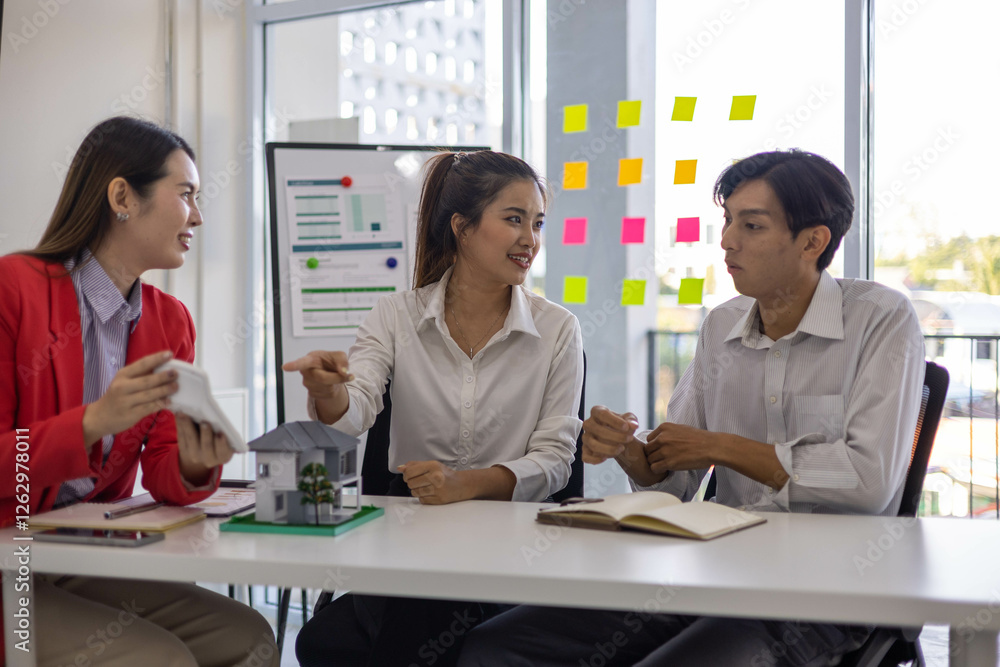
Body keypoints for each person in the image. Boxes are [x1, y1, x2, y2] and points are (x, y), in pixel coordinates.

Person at [458, 149, 926, 667]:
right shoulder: (721, 326)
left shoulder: (881, 319)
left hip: (827, 588)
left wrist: (721, 447)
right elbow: (674, 481)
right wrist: (630, 452)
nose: (727, 240)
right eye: (728, 221)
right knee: (494, 647)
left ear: (813, 241)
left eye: (751, 225)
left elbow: (868, 481)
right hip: (712, 567)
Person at [285, 149, 584, 666]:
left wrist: (464, 484)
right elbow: (354, 411)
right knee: (332, 638)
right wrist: (326, 389)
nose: (529, 240)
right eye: (513, 220)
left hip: (511, 545)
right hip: (410, 541)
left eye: (537, 223)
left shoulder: (557, 329)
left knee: (418, 625)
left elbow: (557, 460)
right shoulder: (395, 315)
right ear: (462, 228)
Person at [0, 116, 279, 667]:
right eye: (186, 195)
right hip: (14, 556)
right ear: (122, 196)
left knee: (250, 638)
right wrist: (89, 425)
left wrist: (197, 467)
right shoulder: (14, 290)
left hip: (84, 554)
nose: (197, 216)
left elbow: (164, 472)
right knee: (157, 658)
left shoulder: (169, 320)